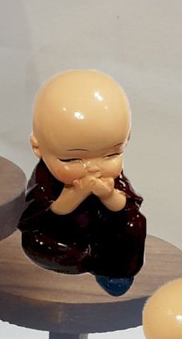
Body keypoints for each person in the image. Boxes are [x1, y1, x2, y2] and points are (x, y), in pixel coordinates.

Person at [19, 70, 146, 295]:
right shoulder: (45, 180)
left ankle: (116, 270)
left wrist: (108, 195)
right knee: (38, 244)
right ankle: (92, 262)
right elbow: (32, 219)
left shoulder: (111, 178)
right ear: (38, 148)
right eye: (71, 159)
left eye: (111, 155)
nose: (94, 167)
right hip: (61, 236)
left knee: (134, 224)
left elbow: (127, 207)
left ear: (126, 141)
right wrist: (73, 196)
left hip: (100, 232)